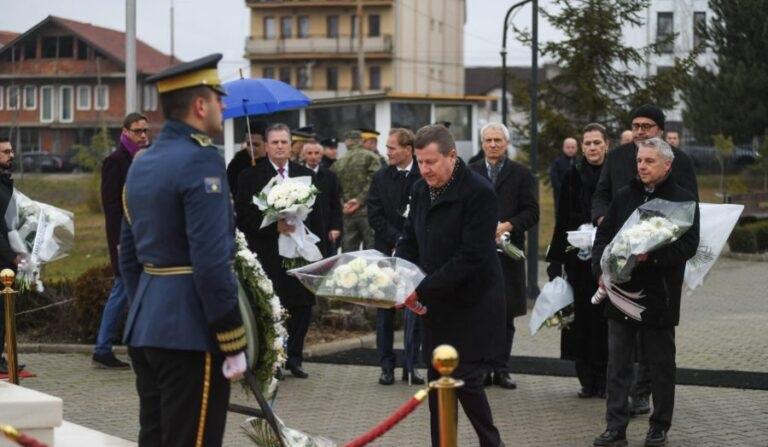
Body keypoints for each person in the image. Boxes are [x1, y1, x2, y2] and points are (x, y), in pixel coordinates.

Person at [119, 54, 247, 446]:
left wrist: (148, 304)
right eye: (218, 97)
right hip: (191, 331)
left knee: (155, 438)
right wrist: (232, 335)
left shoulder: (142, 162)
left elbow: (127, 253)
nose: (223, 105)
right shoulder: (202, 161)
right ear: (200, 105)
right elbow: (210, 260)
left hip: (147, 325)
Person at [396, 124, 506, 447]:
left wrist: (422, 288)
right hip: (435, 302)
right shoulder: (419, 189)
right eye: (419, 162)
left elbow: (471, 257)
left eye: (430, 162)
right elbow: (409, 238)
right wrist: (400, 275)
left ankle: (492, 442)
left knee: (466, 380)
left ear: (452, 156)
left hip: (471, 302)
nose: (424, 169)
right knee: (436, 381)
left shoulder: (479, 192)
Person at [591, 137, 699, 447]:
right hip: (620, 294)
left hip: (658, 295)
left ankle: (658, 427)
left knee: (660, 365)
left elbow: (689, 245)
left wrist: (652, 256)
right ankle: (615, 428)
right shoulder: (624, 195)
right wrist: (601, 271)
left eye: (649, 161)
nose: (642, 166)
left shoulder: (682, 200)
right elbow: (604, 237)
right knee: (618, 365)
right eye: (640, 161)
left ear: (667, 164)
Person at [235, 123, 322, 379]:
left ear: (291, 144)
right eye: (275, 142)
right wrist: (274, 226)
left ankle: (295, 357)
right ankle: (274, 358)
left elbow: (318, 214)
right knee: (274, 305)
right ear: (266, 146)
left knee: (302, 304)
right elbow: (244, 216)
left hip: (300, 250)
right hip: (269, 253)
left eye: (284, 142)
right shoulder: (250, 176)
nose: (280, 147)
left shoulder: (304, 175)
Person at [469, 122, 539, 390]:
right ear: (482, 143)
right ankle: (482, 367)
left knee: (505, 314)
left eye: (498, 140)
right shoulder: (471, 172)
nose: (493, 145)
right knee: (480, 313)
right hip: (478, 255)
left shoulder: (521, 174)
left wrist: (508, 225)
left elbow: (532, 212)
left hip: (509, 254)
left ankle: (501, 368)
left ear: (506, 143)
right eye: (488, 140)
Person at [546, 123, 609, 398]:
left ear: (606, 144)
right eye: (588, 143)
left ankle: (607, 378)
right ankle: (587, 379)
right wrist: (556, 259)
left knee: (605, 320)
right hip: (579, 260)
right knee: (581, 319)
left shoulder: (615, 174)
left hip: (608, 260)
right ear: (581, 147)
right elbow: (562, 217)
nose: (592, 148)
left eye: (597, 143)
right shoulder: (573, 175)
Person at [92, 112, 151, 370]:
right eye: (138, 131)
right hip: (123, 240)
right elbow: (112, 206)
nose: (143, 135)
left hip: (144, 236)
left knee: (127, 291)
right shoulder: (116, 161)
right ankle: (104, 347)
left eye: (146, 131)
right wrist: (118, 242)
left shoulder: (146, 159)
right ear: (125, 132)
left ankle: (108, 347)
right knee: (122, 290)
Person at [367, 128, 424, 386]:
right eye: (386, 147)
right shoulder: (380, 177)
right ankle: (386, 366)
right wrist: (397, 239)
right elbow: (375, 215)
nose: (386, 152)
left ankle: (411, 365)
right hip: (386, 250)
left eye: (391, 147)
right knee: (385, 312)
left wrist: (409, 241)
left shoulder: (423, 175)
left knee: (415, 310)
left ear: (408, 149)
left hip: (417, 252)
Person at [331, 130, 380, 252]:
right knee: (373, 252)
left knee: (349, 254)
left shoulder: (338, 163)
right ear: (361, 140)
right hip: (369, 212)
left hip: (348, 213)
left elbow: (334, 189)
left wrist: (345, 204)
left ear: (346, 142)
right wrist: (360, 200)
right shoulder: (372, 157)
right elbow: (376, 183)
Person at [0, 135, 23, 375]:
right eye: (5, 152)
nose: (11, 155)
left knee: (4, 309)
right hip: (2, 259)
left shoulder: (6, 182)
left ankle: (4, 354)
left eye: (11, 151)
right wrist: (12, 255)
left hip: (8, 257)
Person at [301, 141, 342, 257]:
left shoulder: (330, 176)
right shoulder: (298, 174)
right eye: (309, 153)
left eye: (316, 153)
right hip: (304, 226)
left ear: (321, 155)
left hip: (326, 228)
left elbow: (336, 204)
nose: (313, 157)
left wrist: (336, 227)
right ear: (304, 155)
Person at [226, 126, 265, 197]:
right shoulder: (236, 164)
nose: (251, 149)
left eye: (256, 145)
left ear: (266, 144)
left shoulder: (275, 160)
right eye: (248, 144)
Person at [549, 137, 578, 210]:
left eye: (573, 147)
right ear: (563, 148)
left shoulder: (580, 162)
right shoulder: (557, 162)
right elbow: (554, 180)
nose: (570, 150)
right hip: (561, 197)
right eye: (568, 147)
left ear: (577, 148)